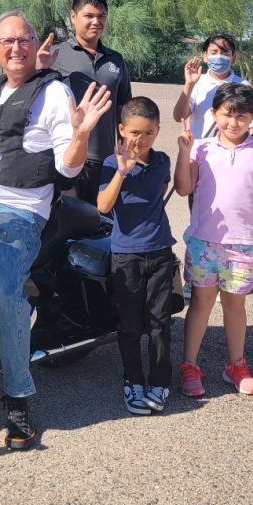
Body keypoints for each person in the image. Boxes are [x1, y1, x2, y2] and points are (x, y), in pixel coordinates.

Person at [0, 10, 111, 451]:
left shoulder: (53, 92)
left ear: (33, 45)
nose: (15, 48)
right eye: (6, 41)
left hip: (19, 210)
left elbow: (67, 165)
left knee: (7, 290)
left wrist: (81, 133)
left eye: (23, 40)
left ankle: (18, 398)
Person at [174, 82, 253, 397]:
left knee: (235, 304)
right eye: (227, 114)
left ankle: (236, 365)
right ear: (214, 113)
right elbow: (184, 188)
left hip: (244, 244)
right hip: (204, 242)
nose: (233, 122)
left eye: (242, 116)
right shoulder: (201, 148)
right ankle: (189, 365)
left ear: (252, 117)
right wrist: (184, 152)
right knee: (201, 303)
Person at [97, 97, 177, 415]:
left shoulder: (161, 162)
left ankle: (159, 381)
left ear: (157, 132)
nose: (139, 140)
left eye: (147, 133)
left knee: (160, 322)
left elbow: (163, 193)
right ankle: (133, 381)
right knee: (129, 325)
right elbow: (103, 206)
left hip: (160, 252)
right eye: (133, 132)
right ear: (121, 130)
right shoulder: (109, 163)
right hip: (126, 256)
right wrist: (122, 171)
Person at [41, 0, 131, 203]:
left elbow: (123, 108)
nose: (96, 22)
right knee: (68, 225)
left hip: (107, 159)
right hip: (67, 157)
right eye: (89, 16)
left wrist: (126, 148)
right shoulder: (56, 56)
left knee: (103, 225)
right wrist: (38, 68)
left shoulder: (116, 60)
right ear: (73, 17)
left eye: (101, 16)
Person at [173, 32, 249, 140]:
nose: (219, 56)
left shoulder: (243, 86)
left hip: (231, 152)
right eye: (214, 52)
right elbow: (179, 117)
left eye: (225, 53)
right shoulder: (197, 83)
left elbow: (252, 126)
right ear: (205, 56)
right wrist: (189, 84)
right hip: (198, 151)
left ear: (233, 59)